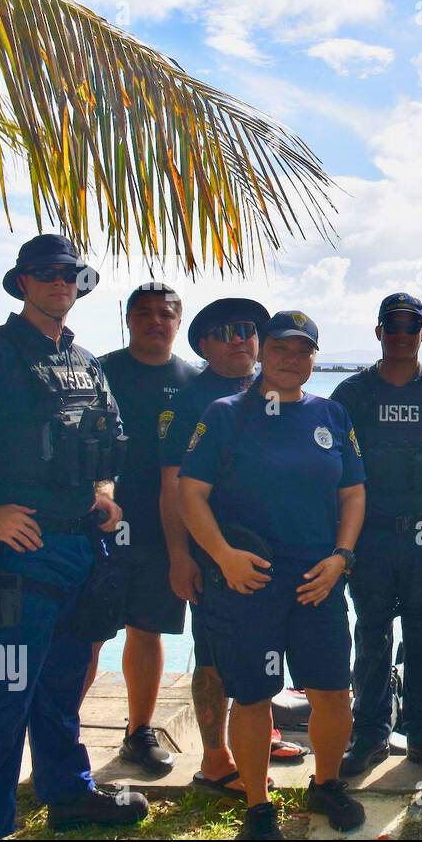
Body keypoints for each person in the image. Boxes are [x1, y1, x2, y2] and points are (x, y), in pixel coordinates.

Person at [0, 234, 148, 838]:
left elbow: (110, 437)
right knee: (3, 698)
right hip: (14, 557)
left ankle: (67, 794)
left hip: (80, 549)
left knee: (62, 685)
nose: (58, 283)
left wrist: (104, 492)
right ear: (22, 283)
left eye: (69, 274)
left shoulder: (85, 362)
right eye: (45, 273)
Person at [179, 310, 366, 840]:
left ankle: (326, 784)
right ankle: (259, 806)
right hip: (249, 578)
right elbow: (190, 493)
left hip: (318, 578)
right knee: (254, 694)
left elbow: (352, 493)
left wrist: (342, 558)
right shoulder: (225, 414)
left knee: (332, 690)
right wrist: (221, 556)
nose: (291, 359)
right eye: (282, 348)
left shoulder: (332, 415)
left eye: (303, 350)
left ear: (313, 358)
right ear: (263, 351)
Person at [159, 297, 309, 797]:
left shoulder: (272, 392)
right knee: (212, 656)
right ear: (203, 344)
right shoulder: (191, 399)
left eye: (248, 330)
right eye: (225, 332)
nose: (240, 339)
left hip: (272, 552)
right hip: (214, 551)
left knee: (263, 651)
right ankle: (216, 757)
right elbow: (173, 485)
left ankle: (261, 739)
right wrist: (181, 556)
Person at [330, 293, 422, 779]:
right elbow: (330, 470)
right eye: (391, 326)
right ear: (378, 333)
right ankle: (370, 735)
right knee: (371, 634)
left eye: (410, 326)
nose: (401, 334)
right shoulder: (350, 396)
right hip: (369, 538)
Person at [82, 283, 196, 772]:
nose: (155, 321)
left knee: (146, 630)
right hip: (96, 522)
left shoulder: (194, 381)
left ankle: (138, 731)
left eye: (165, 313)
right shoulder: (97, 371)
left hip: (164, 526)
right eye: (144, 313)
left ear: (178, 320)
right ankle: (60, 732)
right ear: (127, 319)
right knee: (86, 633)